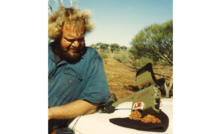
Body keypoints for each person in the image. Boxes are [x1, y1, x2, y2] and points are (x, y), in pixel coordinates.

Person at [46, 5, 110, 134]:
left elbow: (92, 104)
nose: (76, 44)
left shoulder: (91, 58)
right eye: (70, 39)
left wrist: (49, 113)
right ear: (57, 35)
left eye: (80, 39)